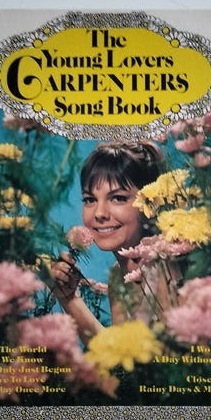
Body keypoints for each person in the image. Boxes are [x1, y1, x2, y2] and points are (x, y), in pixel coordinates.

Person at [50, 141, 167, 345]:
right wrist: (69, 299)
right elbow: (117, 351)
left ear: (150, 201)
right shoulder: (118, 275)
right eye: (90, 199)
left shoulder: (166, 269)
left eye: (118, 198)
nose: (100, 213)